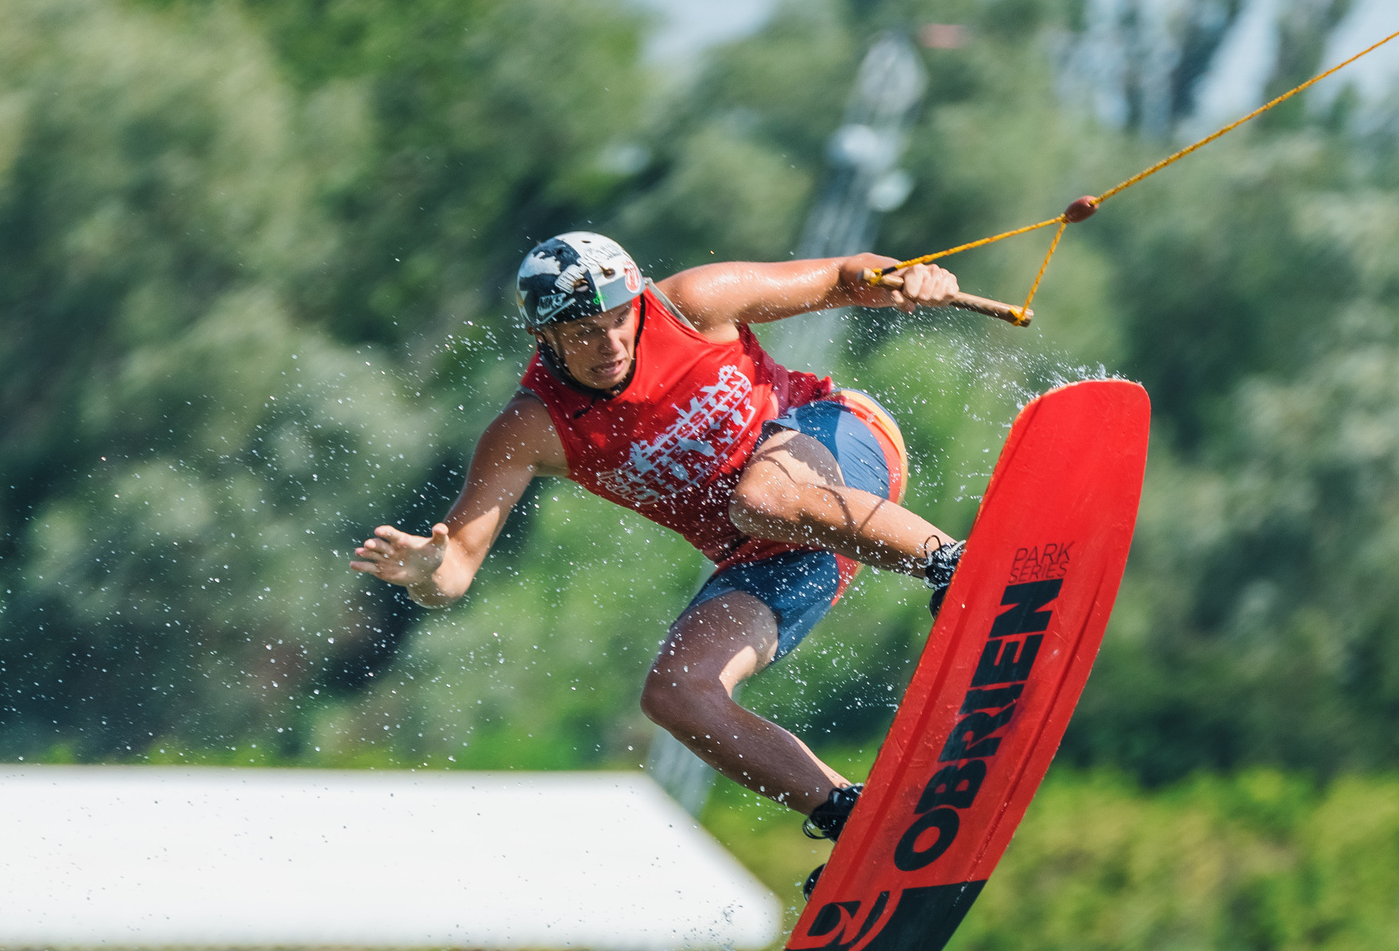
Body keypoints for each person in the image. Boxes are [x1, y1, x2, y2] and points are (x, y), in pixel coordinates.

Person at [349, 231, 968, 852]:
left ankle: (963, 568)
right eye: (585, 332)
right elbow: (453, 571)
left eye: (621, 318)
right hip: (773, 546)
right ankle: (857, 822)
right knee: (675, 692)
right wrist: (424, 570)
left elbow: (844, 276)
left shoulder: (693, 303)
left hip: (837, 444)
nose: (611, 343)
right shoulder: (533, 427)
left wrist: (905, 277)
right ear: (545, 338)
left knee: (760, 499)